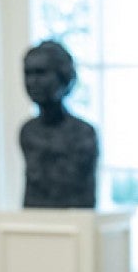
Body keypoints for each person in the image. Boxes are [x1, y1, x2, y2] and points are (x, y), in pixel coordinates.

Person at [19, 39, 98, 208]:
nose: (33, 82)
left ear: (63, 76)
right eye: (28, 73)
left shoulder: (83, 134)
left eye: (41, 73)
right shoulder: (27, 132)